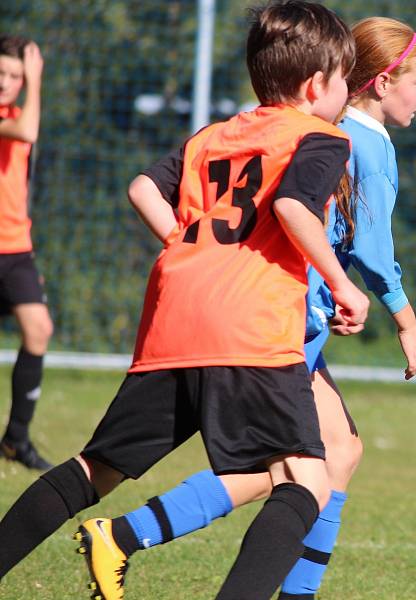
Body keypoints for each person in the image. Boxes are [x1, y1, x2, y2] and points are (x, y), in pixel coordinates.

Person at [0, 3, 371, 599]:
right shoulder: (322, 138)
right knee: (306, 479)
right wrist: (345, 285)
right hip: (249, 331)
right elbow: (293, 208)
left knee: (95, 470)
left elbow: (142, 186)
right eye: (343, 80)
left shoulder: (216, 135)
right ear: (316, 85)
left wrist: (183, 242)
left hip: (172, 321)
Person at [73, 16, 416, 600]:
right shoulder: (365, 144)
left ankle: (143, 540)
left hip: (276, 308)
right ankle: (124, 534)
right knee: (289, 470)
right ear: (382, 83)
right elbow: (371, 246)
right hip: (281, 318)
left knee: (337, 453)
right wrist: (406, 320)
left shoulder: (325, 126)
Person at [0, 35, 54, 472]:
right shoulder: (16, 118)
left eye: (14, 75)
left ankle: (16, 439)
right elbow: (28, 130)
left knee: (38, 329)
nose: (5, 82)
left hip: (15, 247)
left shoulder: (18, 111)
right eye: (0, 72)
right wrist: (36, 80)